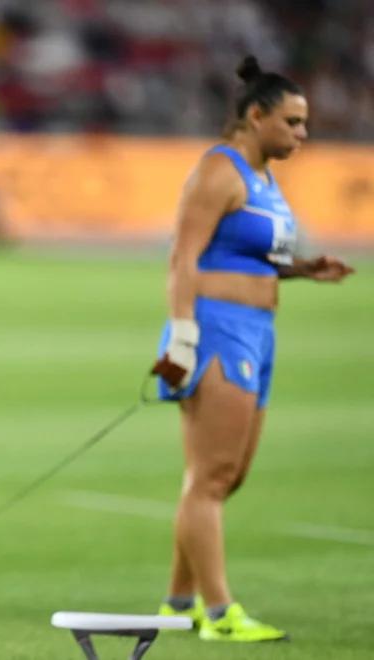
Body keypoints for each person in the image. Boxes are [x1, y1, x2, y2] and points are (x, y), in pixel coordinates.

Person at [151, 55, 354, 642]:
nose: (302, 134)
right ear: (256, 115)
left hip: (257, 331)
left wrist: (302, 271)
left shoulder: (265, 178)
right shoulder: (220, 171)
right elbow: (182, 258)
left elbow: (247, 258)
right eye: (292, 122)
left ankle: (177, 603)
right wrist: (183, 335)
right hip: (215, 329)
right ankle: (220, 615)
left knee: (227, 476)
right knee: (211, 476)